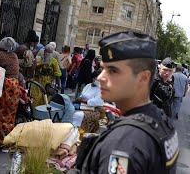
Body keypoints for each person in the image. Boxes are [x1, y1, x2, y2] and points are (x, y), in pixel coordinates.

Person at [73, 31, 178, 174]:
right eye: (103, 68)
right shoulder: (160, 121)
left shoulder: (123, 143)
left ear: (143, 77)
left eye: (113, 71)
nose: (100, 78)